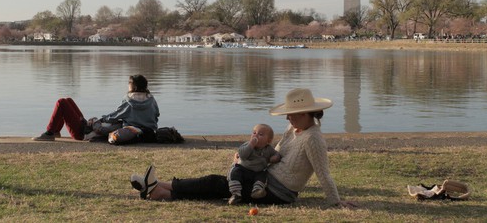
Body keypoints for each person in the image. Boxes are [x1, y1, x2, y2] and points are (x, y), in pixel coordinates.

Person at [130, 88, 359, 208]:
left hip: (278, 192)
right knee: (222, 185)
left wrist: (335, 201)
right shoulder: (293, 130)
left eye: (294, 114)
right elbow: (271, 153)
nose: (288, 117)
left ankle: (160, 186)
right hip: (264, 178)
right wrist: (248, 156)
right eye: (288, 114)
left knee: (217, 183)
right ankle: (160, 191)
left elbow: (323, 172)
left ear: (309, 113)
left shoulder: (314, 138)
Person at [32, 74, 159, 142]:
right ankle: (55, 131)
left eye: (129, 83)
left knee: (62, 102)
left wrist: (98, 120)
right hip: (145, 131)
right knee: (68, 100)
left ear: (133, 86)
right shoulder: (151, 99)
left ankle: (49, 133)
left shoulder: (129, 100)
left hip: (83, 135)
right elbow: (156, 115)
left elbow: (114, 116)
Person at [227, 123, 281, 205]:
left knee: (263, 175)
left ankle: (257, 191)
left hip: (257, 172)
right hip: (243, 168)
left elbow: (276, 154)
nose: (256, 135)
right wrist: (251, 145)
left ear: (268, 141)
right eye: (254, 133)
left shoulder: (268, 149)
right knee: (235, 172)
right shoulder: (248, 145)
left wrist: (275, 157)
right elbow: (242, 155)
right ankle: (236, 193)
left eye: (261, 134)